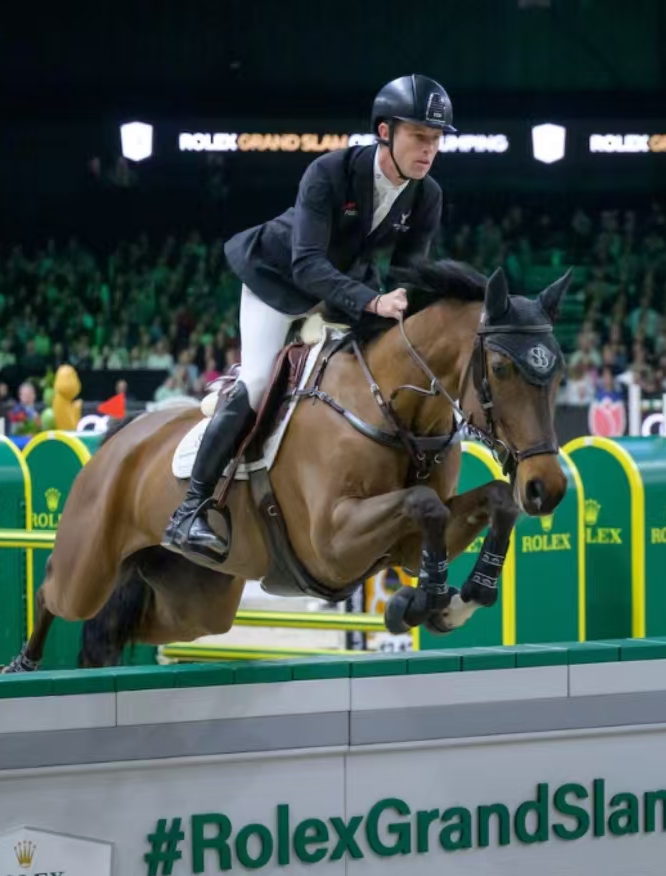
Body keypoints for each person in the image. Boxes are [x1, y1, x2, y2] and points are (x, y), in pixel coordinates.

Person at [164, 74, 454, 561]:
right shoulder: (329, 172)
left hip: (345, 287)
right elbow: (307, 264)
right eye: (419, 136)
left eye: (437, 139)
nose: (429, 149)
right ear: (385, 131)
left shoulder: (428, 195)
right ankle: (191, 509)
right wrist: (373, 302)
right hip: (279, 279)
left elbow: (409, 274)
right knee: (258, 381)